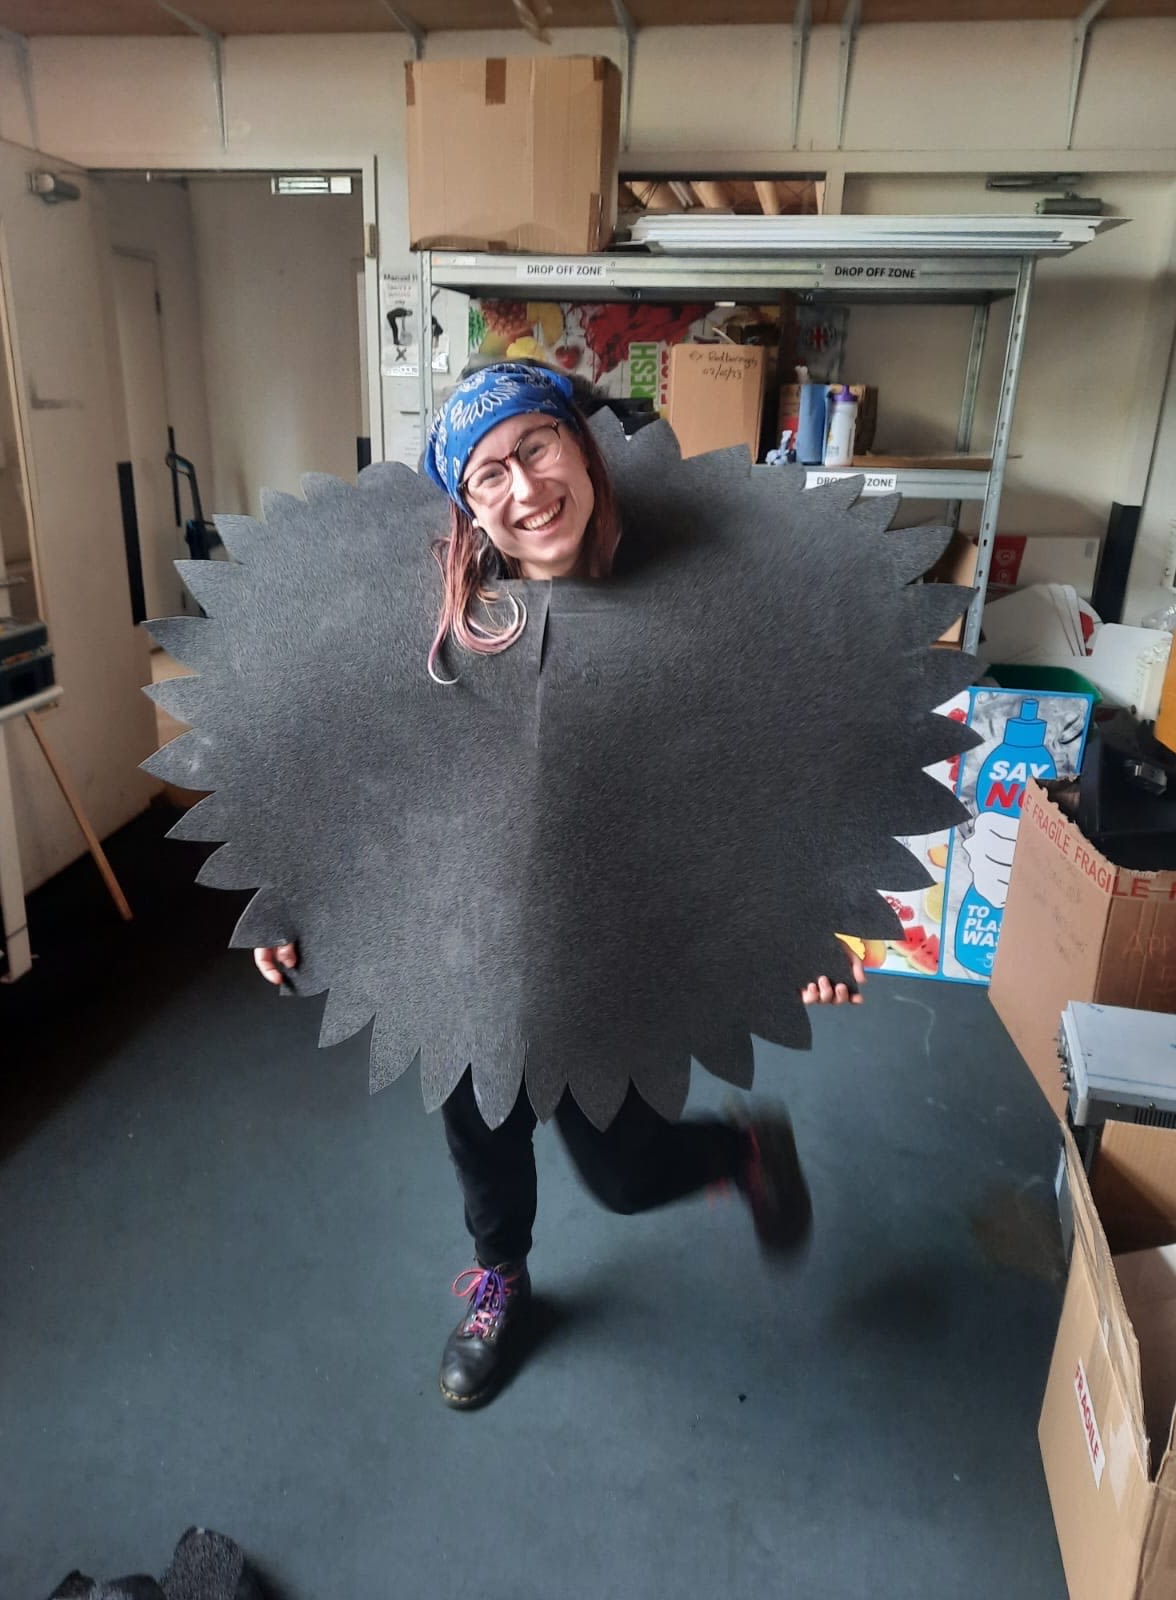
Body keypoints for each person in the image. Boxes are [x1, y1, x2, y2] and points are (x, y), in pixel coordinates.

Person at [252, 363, 862, 1410]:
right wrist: (288, 897)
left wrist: (802, 926)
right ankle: (503, 1279)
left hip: (613, 943)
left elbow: (759, 770)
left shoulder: (686, 604)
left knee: (622, 1177)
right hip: (456, 945)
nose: (523, 486)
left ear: (584, 448)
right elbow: (337, 755)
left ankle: (741, 1147)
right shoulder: (448, 623)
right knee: (481, 1139)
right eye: (489, 474)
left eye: (536, 447)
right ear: (468, 507)